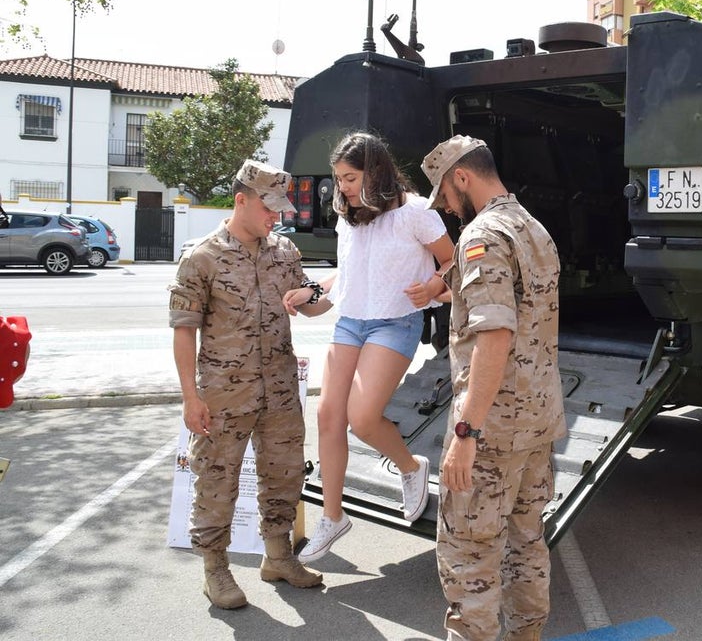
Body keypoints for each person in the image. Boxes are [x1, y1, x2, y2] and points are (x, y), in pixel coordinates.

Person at [420, 135, 566, 641]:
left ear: (462, 177)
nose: (445, 207)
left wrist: (466, 431)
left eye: (444, 194)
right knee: (527, 544)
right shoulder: (534, 228)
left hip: (493, 426)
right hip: (537, 419)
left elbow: (495, 334)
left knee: (469, 553)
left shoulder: (482, 235)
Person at [285, 131, 454, 564]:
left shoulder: (416, 212)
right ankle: (333, 517)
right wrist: (311, 293)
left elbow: (452, 261)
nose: (341, 187)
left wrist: (433, 286)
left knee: (361, 418)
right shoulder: (350, 216)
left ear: (375, 172)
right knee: (328, 416)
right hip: (350, 321)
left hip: (395, 322)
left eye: (350, 178)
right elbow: (347, 273)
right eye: (339, 178)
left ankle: (411, 467)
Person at [170, 159, 328, 610]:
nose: (275, 216)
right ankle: (215, 569)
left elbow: (310, 304)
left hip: (279, 389)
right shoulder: (201, 257)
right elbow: (183, 329)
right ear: (241, 200)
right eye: (268, 207)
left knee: (284, 473)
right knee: (217, 479)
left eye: (280, 208)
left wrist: (319, 293)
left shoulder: (285, 252)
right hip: (224, 392)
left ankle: (278, 556)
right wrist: (190, 396)